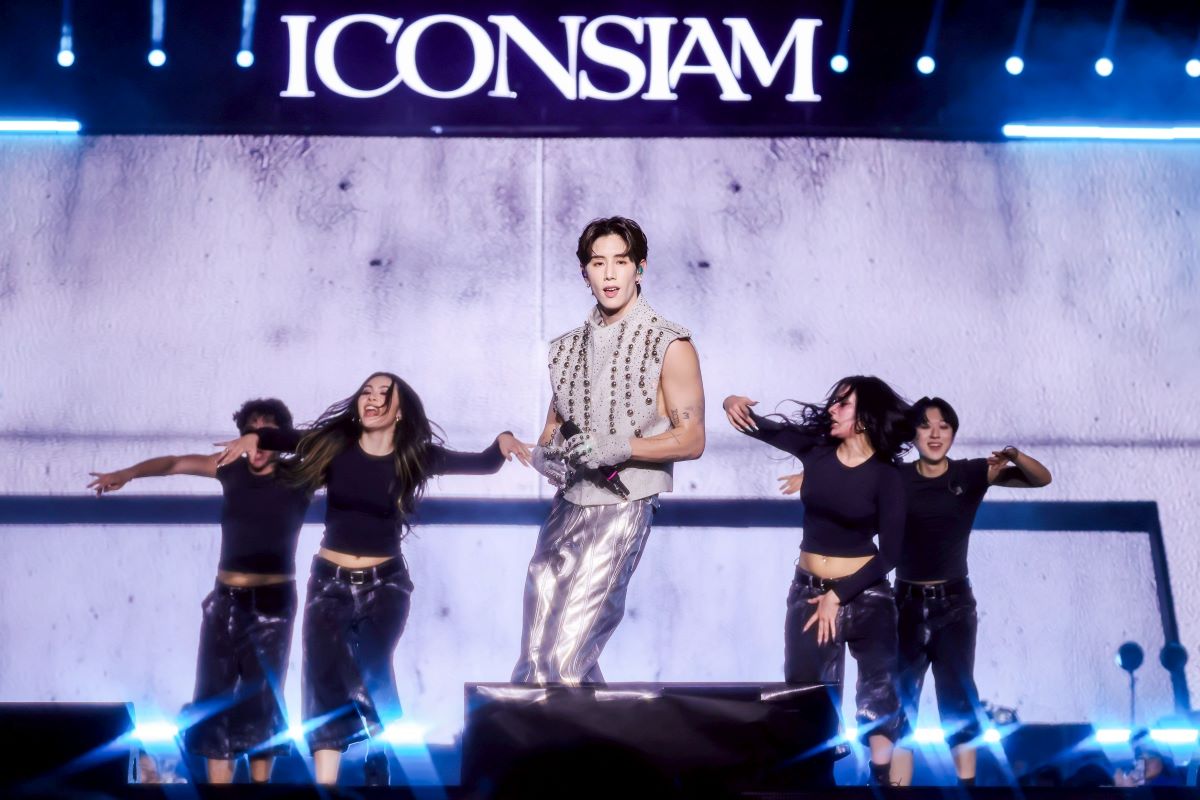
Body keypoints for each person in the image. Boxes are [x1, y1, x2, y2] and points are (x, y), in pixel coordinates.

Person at [216, 372, 529, 784]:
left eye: (384, 393)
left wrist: (503, 440)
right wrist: (254, 438)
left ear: (399, 412)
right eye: (367, 391)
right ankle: (326, 785)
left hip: (386, 585)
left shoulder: (414, 456)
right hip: (328, 583)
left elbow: (483, 463)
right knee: (323, 675)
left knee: (372, 665)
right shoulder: (335, 446)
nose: (373, 398)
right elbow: (285, 439)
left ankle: (379, 745)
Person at [513, 216, 705, 685]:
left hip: (623, 503)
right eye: (599, 263)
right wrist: (543, 455)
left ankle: (570, 732)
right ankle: (576, 733)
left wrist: (618, 446)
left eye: (621, 261)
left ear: (640, 267)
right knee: (536, 657)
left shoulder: (669, 342)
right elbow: (552, 431)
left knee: (567, 659)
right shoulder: (564, 349)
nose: (610, 273)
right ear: (585, 272)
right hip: (567, 504)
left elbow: (692, 439)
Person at [88, 398, 309, 784]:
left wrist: (277, 439)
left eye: (267, 436)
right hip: (226, 599)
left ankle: (260, 790)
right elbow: (175, 463)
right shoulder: (230, 468)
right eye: (250, 434)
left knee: (261, 699)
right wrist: (128, 473)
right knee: (212, 697)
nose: (257, 445)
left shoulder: (301, 475)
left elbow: (336, 443)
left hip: (273, 604)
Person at [724, 377, 911, 785]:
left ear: (865, 418)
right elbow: (759, 426)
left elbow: (890, 556)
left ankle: (881, 778)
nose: (832, 409)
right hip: (809, 594)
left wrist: (838, 595)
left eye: (843, 404)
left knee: (878, 691)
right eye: (834, 402)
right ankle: (816, 782)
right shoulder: (816, 450)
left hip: (867, 595)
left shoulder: (887, 477)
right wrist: (731, 401)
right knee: (806, 695)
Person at [887, 397, 1051, 786]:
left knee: (958, 699)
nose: (935, 434)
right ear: (914, 433)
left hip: (954, 607)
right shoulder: (895, 476)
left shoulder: (972, 472)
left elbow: (1041, 478)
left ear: (953, 433)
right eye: (926, 426)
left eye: (943, 426)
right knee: (900, 705)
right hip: (905, 605)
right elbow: (851, 482)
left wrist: (1014, 455)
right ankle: (895, 791)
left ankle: (967, 790)